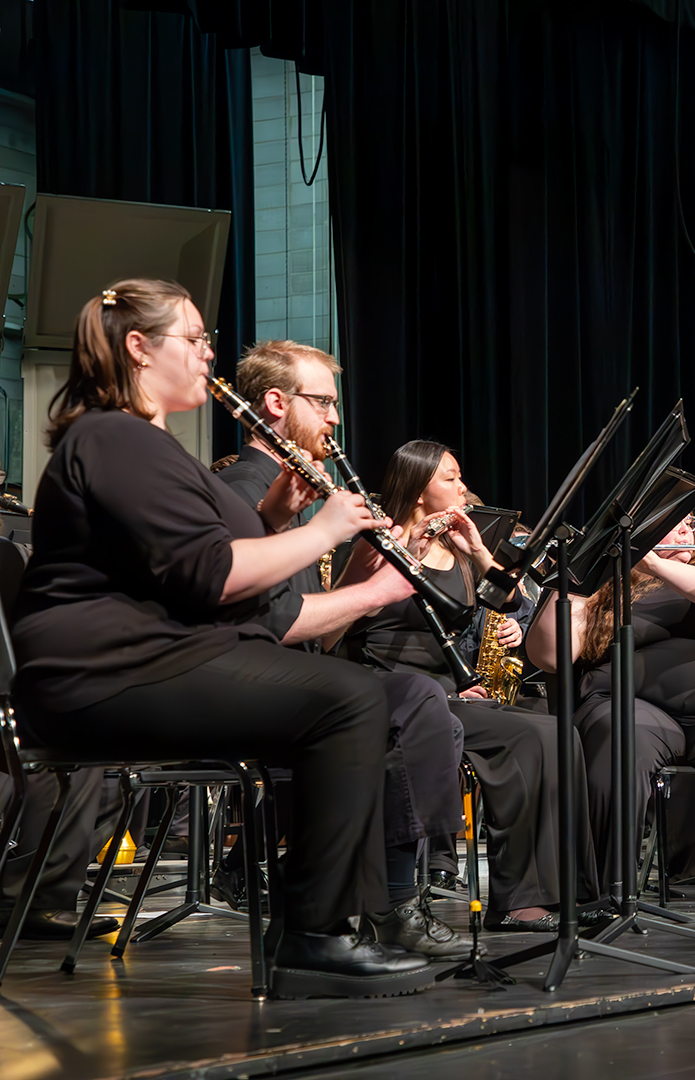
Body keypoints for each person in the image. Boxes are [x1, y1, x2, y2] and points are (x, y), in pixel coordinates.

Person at [1, 279, 431, 997]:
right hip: (104, 675)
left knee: (358, 697)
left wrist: (272, 518)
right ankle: (314, 933)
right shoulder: (114, 437)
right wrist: (324, 531)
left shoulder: (147, 445)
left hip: (152, 661)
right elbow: (212, 576)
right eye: (196, 339)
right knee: (348, 699)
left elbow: (196, 562)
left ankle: (328, 914)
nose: (209, 354)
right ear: (139, 348)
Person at [213, 341, 475, 959]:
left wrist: (362, 573)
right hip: (247, 683)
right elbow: (274, 624)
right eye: (323, 403)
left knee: (420, 708)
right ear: (275, 404)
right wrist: (377, 591)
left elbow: (313, 629)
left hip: (292, 675)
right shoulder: (241, 489)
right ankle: (389, 900)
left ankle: (390, 893)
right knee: (409, 699)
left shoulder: (291, 492)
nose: (335, 419)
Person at [334, 440, 598, 932]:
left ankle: (540, 896)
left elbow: (511, 600)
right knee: (524, 735)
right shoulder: (376, 545)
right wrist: (394, 569)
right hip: (388, 695)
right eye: (451, 478)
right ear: (418, 489)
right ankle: (416, 892)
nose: (463, 487)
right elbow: (332, 633)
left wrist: (477, 551)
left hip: (448, 696)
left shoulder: (457, 551)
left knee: (550, 733)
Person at [527, 512, 695, 902]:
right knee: (617, 735)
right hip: (628, 704)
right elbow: (552, 656)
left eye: (690, 523)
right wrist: (565, 581)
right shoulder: (603, 585)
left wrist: (655, 563)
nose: (686, 530)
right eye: (675, 522)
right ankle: (611, 891)